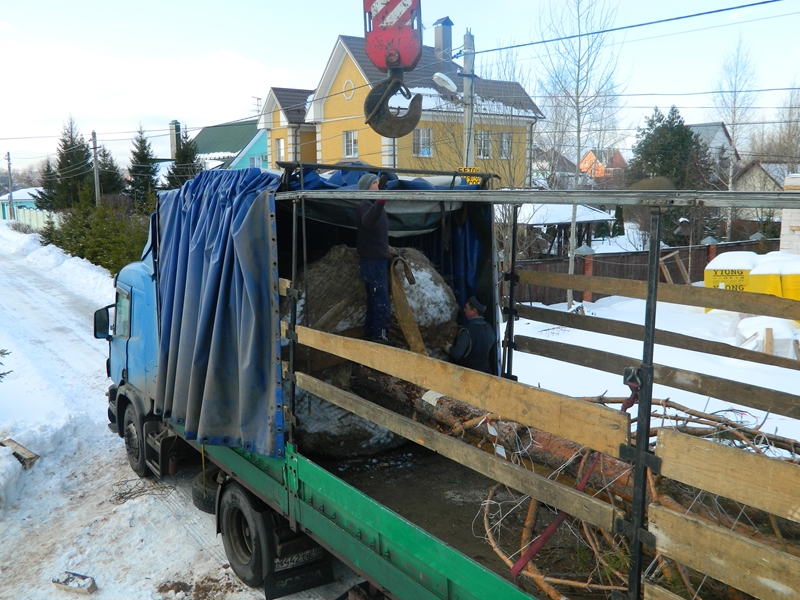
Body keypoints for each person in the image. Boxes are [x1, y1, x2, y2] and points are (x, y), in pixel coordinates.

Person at [356, 173, 391, 344]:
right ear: (366, 187)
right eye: (375, 183)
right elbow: (369, 222)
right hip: (374, 262)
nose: (377, 185)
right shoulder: (365, 205)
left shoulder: (373, 206)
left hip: (374, 260)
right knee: (381, 301)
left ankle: (370, 334)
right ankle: (380, 336)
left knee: (373, 301)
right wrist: (381, 199)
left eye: (378, 183)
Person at [445, 292, 495, 374]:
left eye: (466, 307)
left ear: (474, 311)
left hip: (468, 374)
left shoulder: (467, 331)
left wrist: (449, 348)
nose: (464, 310)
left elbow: (456, 354)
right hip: (486, 372)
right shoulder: (489, 328)